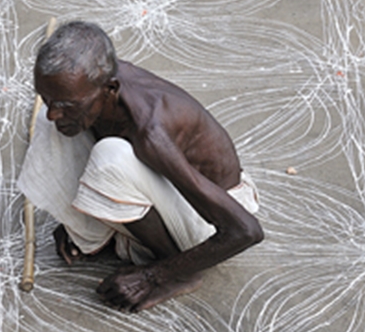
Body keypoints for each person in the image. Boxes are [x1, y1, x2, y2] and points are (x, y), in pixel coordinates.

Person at [18, 21, 263, 311]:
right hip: (170, 191)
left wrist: (153, 276)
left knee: (111, 158)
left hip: (207, 223)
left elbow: (245, 230)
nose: (53, 111)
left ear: (110, 88)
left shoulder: (152, 132)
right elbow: (63, 110)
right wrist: (75, 220)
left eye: (67, 103)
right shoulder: (93, 84)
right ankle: (96, 227)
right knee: (56, 127)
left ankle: (176, 272)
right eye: (46, 97)